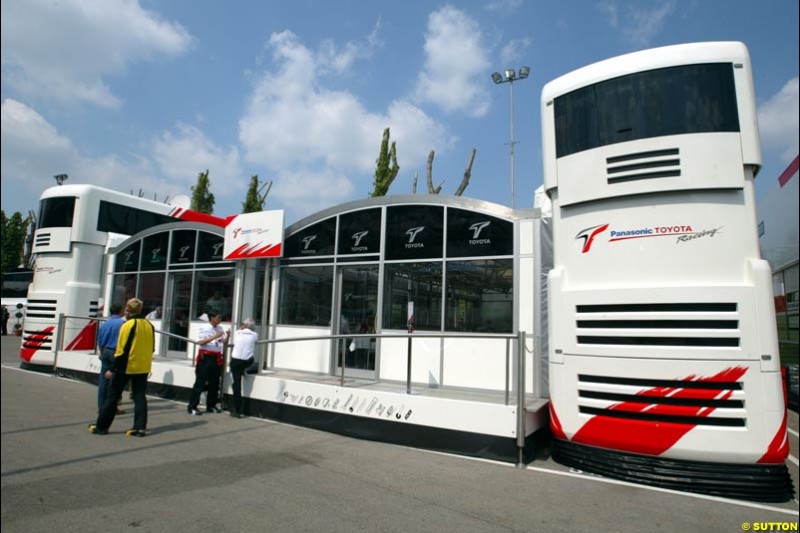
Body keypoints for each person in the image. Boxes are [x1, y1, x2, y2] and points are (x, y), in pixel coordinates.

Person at [89, 298, 155, 437]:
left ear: (128, 310)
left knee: (113, 396)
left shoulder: (128, 325)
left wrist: (113, 369)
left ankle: (101, 426)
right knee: (139, 397)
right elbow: (152, 348)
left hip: (127, 366)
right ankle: (139, 427)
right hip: (143, 366)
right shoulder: (149, 325)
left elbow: (121, 350)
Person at [187, 312, 228, 415]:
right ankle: (192, 406)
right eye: (218, 317)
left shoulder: (220, 329)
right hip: (206, 357)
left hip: (216, 357)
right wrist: (214, 336)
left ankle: (211, 405)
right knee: (200, 382)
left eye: (220, 317)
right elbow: (200, 342)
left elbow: (223, 342)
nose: (219, 319)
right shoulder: (204, 327)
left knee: (214, 383)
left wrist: (228, 337)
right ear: (212, 317)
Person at [96, 304, 125, 414]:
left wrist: (102, 353)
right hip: (116, 352)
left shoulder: (104, 324)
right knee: (115, 381)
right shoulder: (122, 324)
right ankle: (113, 407)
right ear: (120, 311)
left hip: (106, 351)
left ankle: (102, 406)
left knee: (103, 381)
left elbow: (99, 341)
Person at [229, 318, 258, 418]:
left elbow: (238, 334)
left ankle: (237, 410)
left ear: (244, 325)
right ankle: (244, 370)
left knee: (236, 386)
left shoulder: (237, 332)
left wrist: (241, 328)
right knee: (252, 358)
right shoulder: (254, 335)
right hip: (246, 361)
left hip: (235, 361)